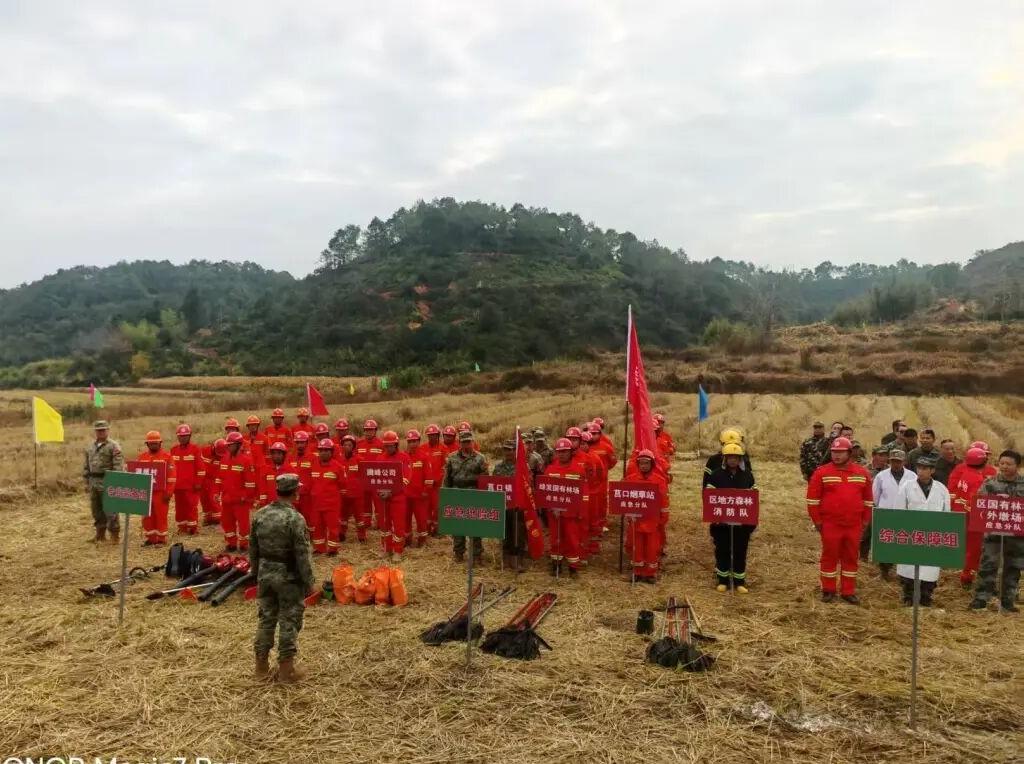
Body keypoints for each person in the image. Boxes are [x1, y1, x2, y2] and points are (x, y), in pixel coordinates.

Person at [250, 473, 314, 683]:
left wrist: (255, 573)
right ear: (295, 492)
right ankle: (287, 671)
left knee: (266, 618)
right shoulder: (295, 519)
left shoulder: (260, 515)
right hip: (288, 577)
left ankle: (261, 667)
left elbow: (253, 549)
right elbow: (302, 554)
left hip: (265, 574)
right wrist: (309, 581)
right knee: (289, 620)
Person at [806, 437, 873, 604]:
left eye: (841, 452)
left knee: (851, 557)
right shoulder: (822, 473)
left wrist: (865, 521)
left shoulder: (862, 473)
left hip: (854, 525)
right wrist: (818, 522)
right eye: (834, 452)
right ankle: (828, 590)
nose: (836, 455)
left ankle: (848, 591)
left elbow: (868, 500)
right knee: (830, 557)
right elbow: (812, 500)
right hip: (830, 524)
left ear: (849, 453)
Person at [970, 450, 1024, 612]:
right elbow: (980, 504)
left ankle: (1008, 601)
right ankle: (981, 599)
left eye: (1009, 464)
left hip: (1016, 534)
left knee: (1013, 567)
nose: (1004, 467)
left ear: (1018, 466)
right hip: (993, 533)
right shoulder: (990, 483)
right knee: (988, 564)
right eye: (1002, 463)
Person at [895, 456, 951, 606]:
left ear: (932, 470)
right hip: (911, 533)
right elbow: (898, 510)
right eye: (919, 468)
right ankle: (909, 597)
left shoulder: (941, 489)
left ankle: (926, 596)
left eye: (925, 468)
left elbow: (947, 514)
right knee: (909, 567)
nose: (921, 471)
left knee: (930, 568)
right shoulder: (907, 486)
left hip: (932, 534)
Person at [705, 443, 758, 593]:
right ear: (725, 459)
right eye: (730, 457)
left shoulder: (747, 475)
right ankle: (723, 580)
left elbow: (753, 496)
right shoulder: (716, 475)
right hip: (721, 523)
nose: (733, 460)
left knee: (740, 551)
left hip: (742, 524)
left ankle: (739, 581)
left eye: (736, 457)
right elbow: (710, 496)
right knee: (722, 550)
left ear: (740, 459)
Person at [948, 446, 997, 587]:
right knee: (974, 548)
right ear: (983, 461)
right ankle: (967, 576)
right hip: (975, 518)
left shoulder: (966, 473)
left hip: (963, 513)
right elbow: (977, 502)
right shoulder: (977, 479)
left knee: (970, 547)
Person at [542, 437, 589, 577]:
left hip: (571, 513)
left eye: (565, 451)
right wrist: (550, 508)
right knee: (555, 539)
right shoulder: (550, 469)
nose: (561, 454)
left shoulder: (578, 469)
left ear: (571, 452)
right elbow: (545, 491)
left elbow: (584, 493)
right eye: (559, 451)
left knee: (572, 539)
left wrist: (581, 512)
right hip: (554, 512)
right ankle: (556, 565)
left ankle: (573, 567)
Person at [443, 430, 489, 563]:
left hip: (474, 494)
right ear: (460, 443)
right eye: (464, 442)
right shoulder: (452, 457)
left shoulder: (480, 458)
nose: (467, 444)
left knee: (475, 525)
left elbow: (485, 479)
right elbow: (447, 478)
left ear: (473, 442)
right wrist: (446, 495)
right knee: (458, 525)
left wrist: (484, 497)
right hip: (457, 494)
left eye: (469, 442)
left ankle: (476, 554)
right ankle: (458, 552)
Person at [625, 449, 669, 584]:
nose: (643, 466)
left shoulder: (659, 480)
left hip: (652, 520)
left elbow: (664, 501)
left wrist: (663, 518)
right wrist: (627, 514)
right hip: (636, 519)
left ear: (652, 464)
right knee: (636, 546)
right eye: (641, 463)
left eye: (646, 463)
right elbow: (625, 498)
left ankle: (650, 573)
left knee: (652, 547)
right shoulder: (631, 479)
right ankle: (638, 571)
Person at [870, 449, 914, 579]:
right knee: (886, 543)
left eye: (898, 461)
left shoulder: (912, 476)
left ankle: (904, 574)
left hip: (905, 514)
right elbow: (875, 496)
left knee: (903, 542)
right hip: (886, 514)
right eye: (893, 461)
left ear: (904, 462)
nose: (896, 464)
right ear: (889, 461)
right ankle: (884, 571)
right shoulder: (881, 476)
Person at [82, 420, 124, 543]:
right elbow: (86, 465)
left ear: (107, 430)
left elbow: (118, 466)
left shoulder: (114, 446)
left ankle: (114, 536)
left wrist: (115, 482)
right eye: (98, 430)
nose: (101, 432)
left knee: (111, 510)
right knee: (96, 510)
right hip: (93, 482)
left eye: (103, 430)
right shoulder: (90, 447)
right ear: (95, 431)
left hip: (107, 481)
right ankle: (100, 535)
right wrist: (86, 481)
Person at [216, 431, 257, 551]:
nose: (228, 447)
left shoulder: (246, 461)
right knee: (227, 522)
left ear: (239, 445)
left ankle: (244, 544)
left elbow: (250, 483)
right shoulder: (224, 459)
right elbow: (219, 478)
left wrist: (246, 497)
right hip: (226, 498)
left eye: (231, 445)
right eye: (228, 445)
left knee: (243, 524)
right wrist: (216, 492)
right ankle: (231, 543)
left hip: (240, 500)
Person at [135, 430, 177, 547]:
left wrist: (169, 492)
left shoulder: (167, 457)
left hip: (161, 493)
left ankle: (161, 539)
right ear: (147, 444)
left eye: (155, 443)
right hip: (147, 492)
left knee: (160, 515)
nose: (153, 445)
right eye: (151, 443)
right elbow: (137, 475)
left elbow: (172, 476)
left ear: (160, 443)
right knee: (147, 516)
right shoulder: (142, 457)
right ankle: (151, 538)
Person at [378, 430, 412, 561]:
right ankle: (386, 548)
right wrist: (379, 491)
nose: (388, 448)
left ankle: (398, 550)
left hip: (398, 497)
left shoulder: (404, 458)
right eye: (386, 446)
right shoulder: (380, 458)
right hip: (383, 498)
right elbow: (375, 478)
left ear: (396, 444)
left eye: (391, 445)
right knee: (384, 524)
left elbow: (406, 478)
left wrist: (391, 492)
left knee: (398, 525)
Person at [493, 439, 526, 565]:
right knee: (505, 531)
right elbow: (494, 485)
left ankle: (518, 558)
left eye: (512, 449)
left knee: (518, 533)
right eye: (506, 449)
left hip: (518, 506)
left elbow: (528, 486)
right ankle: (506, 557)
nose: (509, 452)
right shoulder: (498, 467)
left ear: (516, 451)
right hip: (504, 505)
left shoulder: (523, 467)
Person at [309, 438, 344, 555]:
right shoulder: (313, 465)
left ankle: (333, 549)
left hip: (331, 504)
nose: (323, 453)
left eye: (326, 450)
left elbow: (343, 484)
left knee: (333, 527)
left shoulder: (338, 467)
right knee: (317, 526)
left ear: (331, 452)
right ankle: (319, 548)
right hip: (316, 503)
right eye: (321, 450)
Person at [169, 424, 203, 535]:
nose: (183, 438)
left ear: (189, 436)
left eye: (185, 436)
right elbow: (170, 468)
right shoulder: (173, 450)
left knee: (191, 506)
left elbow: (201, 469)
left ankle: (192, 528)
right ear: (178, 437)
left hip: (191, 486)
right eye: (181, 436)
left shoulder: (195, 449)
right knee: (179, 508)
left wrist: (198, 483)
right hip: (178, 486)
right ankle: (182, 527)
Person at [404, 429, 434, 547]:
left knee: (421, 519)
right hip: (406, 495)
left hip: (420, 495)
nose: (412, 444)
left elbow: (429, 476)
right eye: (410, 441)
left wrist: (426, 491)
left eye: (414, 441)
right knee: (405, 518)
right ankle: (407, 539)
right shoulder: (403, 456)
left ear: (419, 441)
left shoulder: (424, 456)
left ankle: (422, 540)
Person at [337, 434, 367, 543]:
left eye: (349, 445)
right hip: (343, 494)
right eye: (345, 445)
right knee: (343, 515)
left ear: (353, 446)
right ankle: (342, 533)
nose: (347, 447)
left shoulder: (360, 460)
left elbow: (365, 476)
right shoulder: (339, 460)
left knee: (359, 516)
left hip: (357, 494)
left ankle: (362, 535)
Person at [290, 431, 315, 530]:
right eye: (297, 442)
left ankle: (310, 537)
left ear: (307, 443)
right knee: (293, 519)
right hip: (293, 495)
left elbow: (315, 477)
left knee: (308, 519)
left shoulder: (313, 458)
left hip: (307, 496)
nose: (300, 445)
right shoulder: (290, 458)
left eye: (302, 442)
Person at [424, 424, 447, 535]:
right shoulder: (422, 448)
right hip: (425, 485)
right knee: (426, 507)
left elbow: (445, 466)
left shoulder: (443, 448)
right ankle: (427, 528)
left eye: (434, 435)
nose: (432, 437)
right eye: (430, 435)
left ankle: (437, 529)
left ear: (438, 435)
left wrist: (437, 479)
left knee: (437, 507)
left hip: (438, 485)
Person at [199, 437, 226, 526]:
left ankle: (218, 518)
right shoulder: (204, 451)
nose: (219, 456)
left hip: (215, 480)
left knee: (214, 498)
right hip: (204, 479)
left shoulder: (225, 454)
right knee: (204, 499)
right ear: (213, 448)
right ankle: (208, 518)